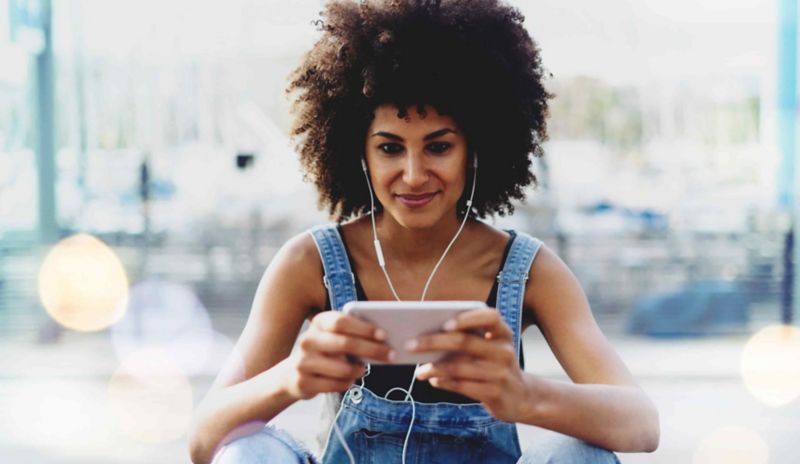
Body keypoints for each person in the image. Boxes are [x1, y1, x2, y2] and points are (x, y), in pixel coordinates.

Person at [188, 0, 659, 463]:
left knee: (579, 456)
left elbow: (641, 425)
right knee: (249, 451)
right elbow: (204, 439)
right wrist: (291, 377)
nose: (413, 175)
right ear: (359, 154)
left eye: (438, 147)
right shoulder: (310, 264)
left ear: (476, 149)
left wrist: (524, 395)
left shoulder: (527, 272)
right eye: (390, 148)